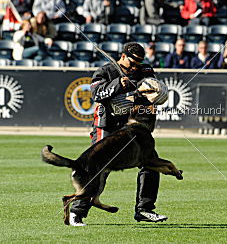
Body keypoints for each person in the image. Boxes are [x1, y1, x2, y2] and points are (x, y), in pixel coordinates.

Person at [69, 43, 168, 226]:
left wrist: (154, 91)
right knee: (98, 167)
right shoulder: (104, 71)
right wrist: (117, 85)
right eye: (133, 62)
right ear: (123, 56)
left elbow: (149, 87)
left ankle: (144, 210)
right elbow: (97, 94)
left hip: (130, 125)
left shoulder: (144, 70)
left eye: (139, 62)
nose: (136, 66)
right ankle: (77, 212)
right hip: (106, 124)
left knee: (151, 162)